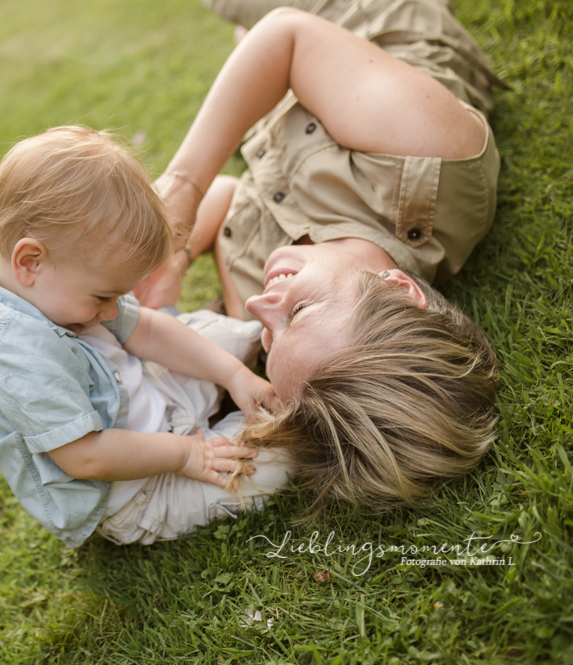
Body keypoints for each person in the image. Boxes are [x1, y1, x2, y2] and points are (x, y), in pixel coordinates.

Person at [135, 0, 501, 516]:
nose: (263, 305)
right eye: (299, 312)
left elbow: (230, 202)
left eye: (270, 336)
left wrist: (175, 261)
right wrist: (181, 186)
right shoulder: (432, 163)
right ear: (400, 288)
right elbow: (286, 36)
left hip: (278, 96)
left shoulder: (268, 319)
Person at [0, 126, 293, 548]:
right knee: (277, 459)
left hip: (155, 388)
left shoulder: (51, 278)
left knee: (234, 341)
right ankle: (234, 433)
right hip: (141, 487)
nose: (111, 310)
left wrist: (233, 375)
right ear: (30, 262)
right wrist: (188, 454)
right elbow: (86, 455)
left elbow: (149, 330)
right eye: (102, 297)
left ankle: (244, 383)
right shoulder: (15, 355)